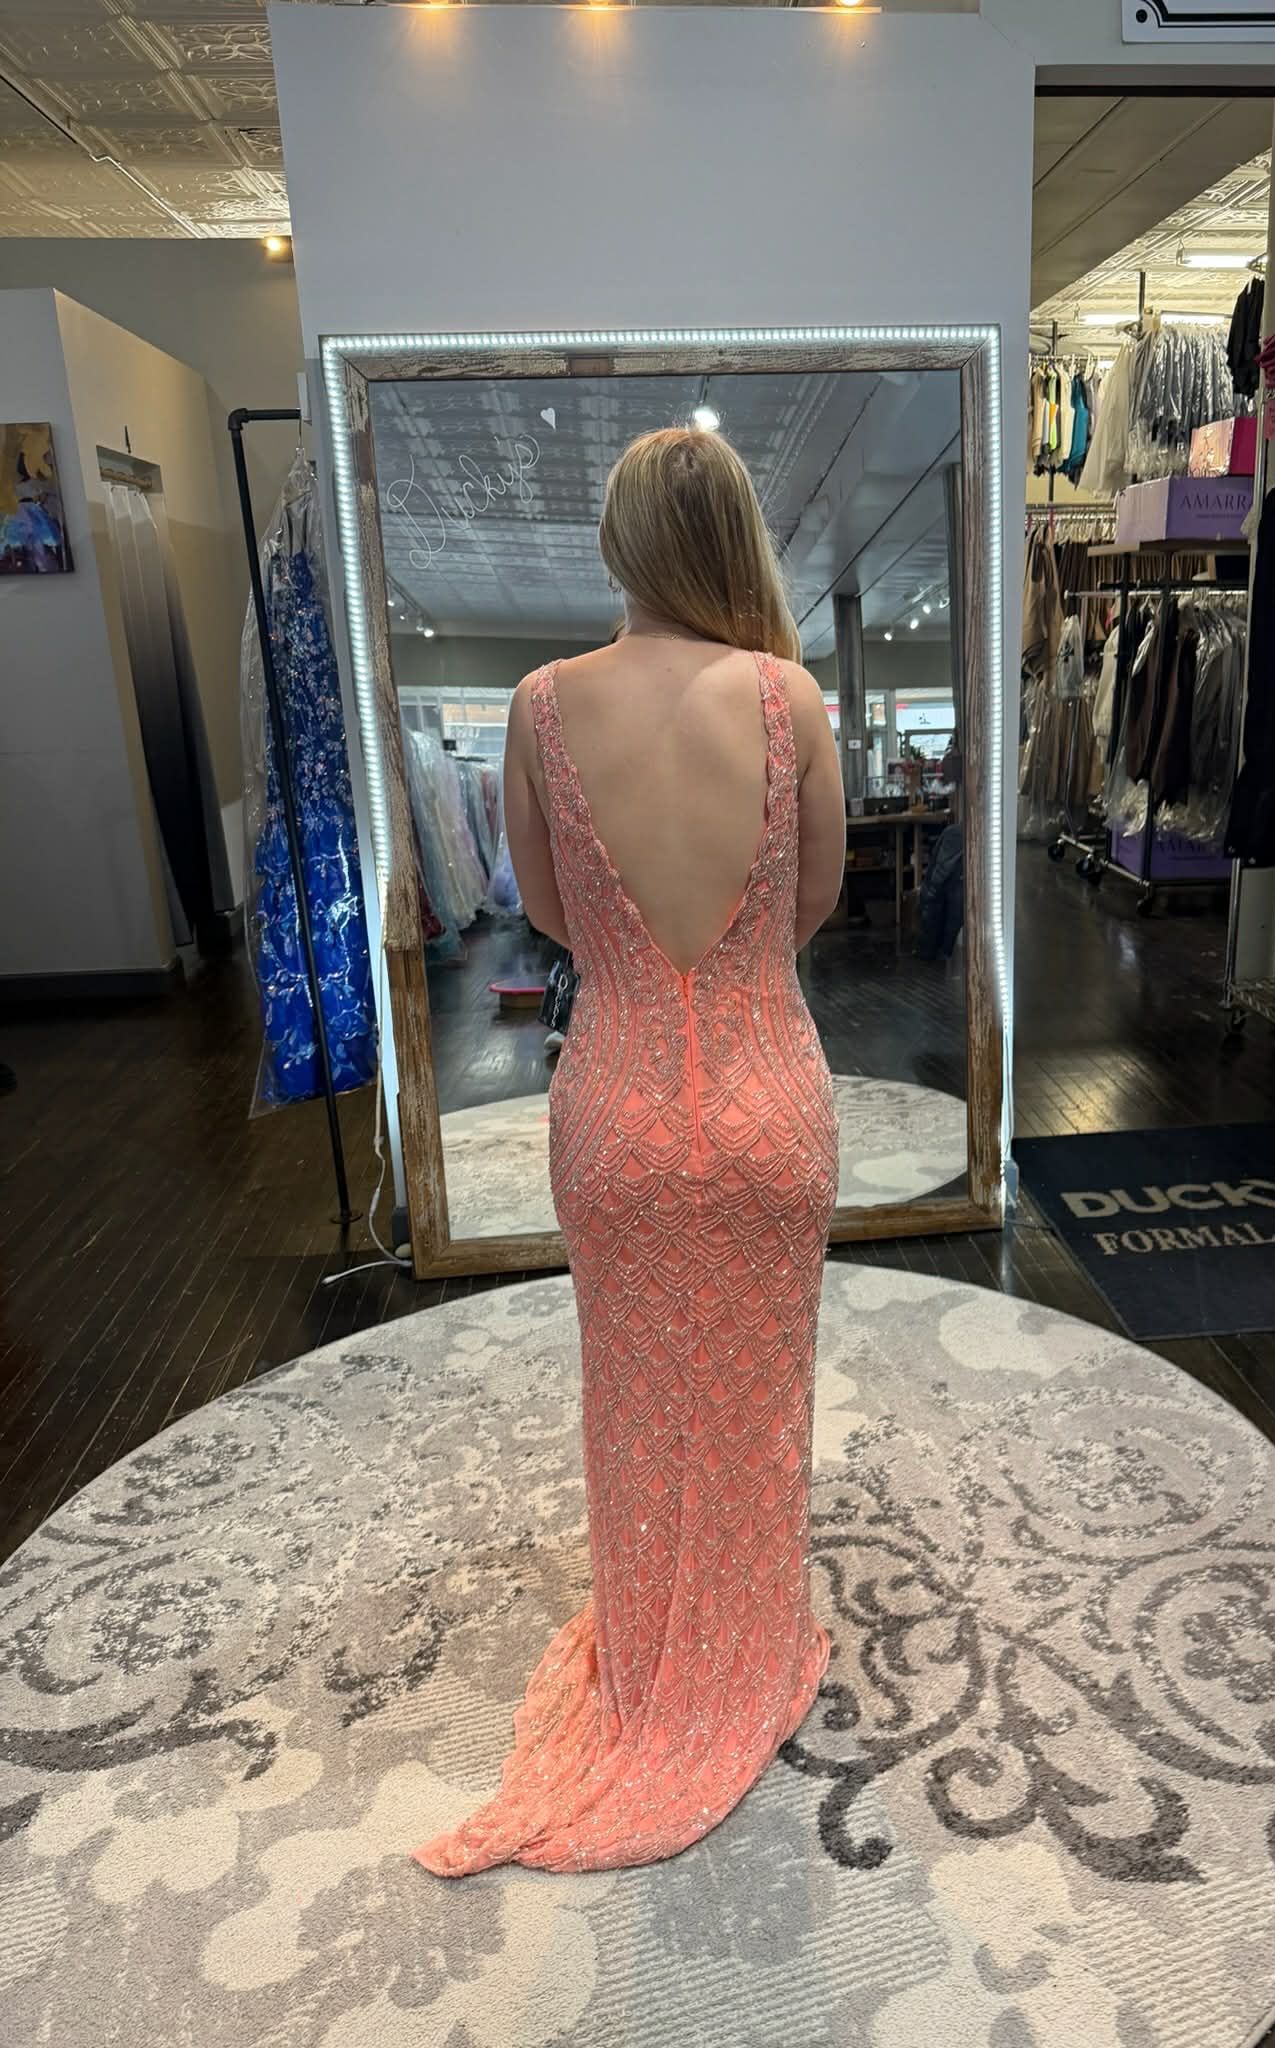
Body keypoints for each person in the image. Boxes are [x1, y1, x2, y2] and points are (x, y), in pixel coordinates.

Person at [412, 426, 847, 1878]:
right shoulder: (792, 700)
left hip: (616, 1114)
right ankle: (750, 1639)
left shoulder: (541, 707)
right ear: (733, 539)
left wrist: (640, 954)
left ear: (618, 548)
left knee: (639, 1395)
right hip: (769, 1098)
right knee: (758, 1392)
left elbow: (543, 908)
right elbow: (813, 901)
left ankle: (665, 1654)